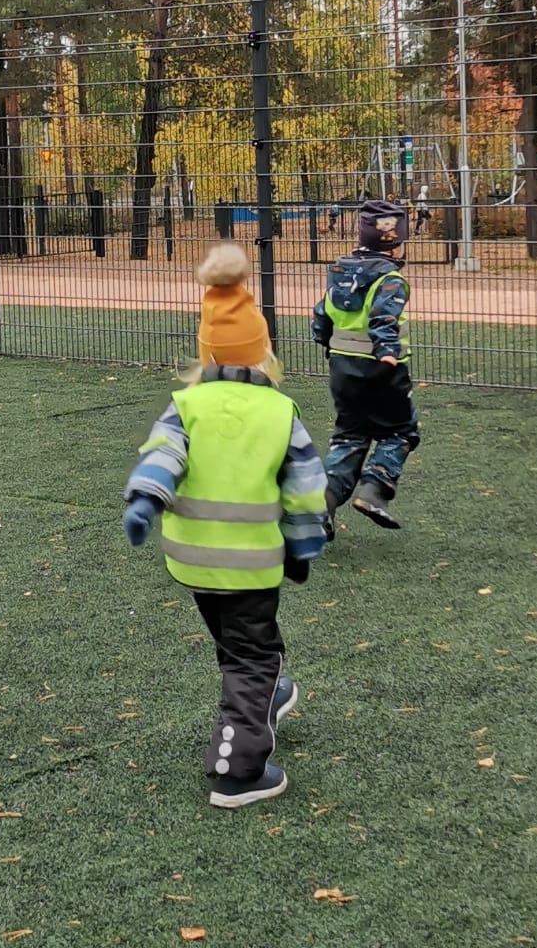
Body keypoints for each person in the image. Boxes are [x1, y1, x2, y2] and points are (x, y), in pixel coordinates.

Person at [121, 243, 328, 808]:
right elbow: (306, 488)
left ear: (204, 354)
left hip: (191, 560)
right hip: (250, 564)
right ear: (263, 352)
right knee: (254, 655)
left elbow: (162, 456)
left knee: (237, 644)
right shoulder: (279, 412)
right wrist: (303, 547)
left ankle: (267, 695)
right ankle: (236, 769)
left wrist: (144, 503)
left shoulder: (186, 406)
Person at [311, 197, 420, 533]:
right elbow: (382, 318)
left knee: (350, 436)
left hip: (343, 370)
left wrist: (324, 341)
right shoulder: (391, 279)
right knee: (400, 431)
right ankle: (374, 490)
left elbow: (321, 314)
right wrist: (387, 353)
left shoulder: (340, 275)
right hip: (382, 370)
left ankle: (324, 505)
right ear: (396, 244)